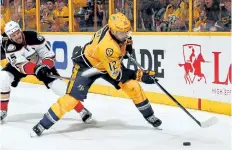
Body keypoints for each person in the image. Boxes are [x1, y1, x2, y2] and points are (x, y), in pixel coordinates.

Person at [31, 12, 162, 136]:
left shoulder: (114, 30)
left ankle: (149, 115)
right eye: (124, 33)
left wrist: (126, 44)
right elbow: (117, 75)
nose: (127, 34)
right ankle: (43, 124)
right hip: (87, 67)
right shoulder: (108, 48)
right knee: (71, 100)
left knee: (133, 87)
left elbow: (122, 44)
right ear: (114, 31)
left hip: (106, 64)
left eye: (128, 31)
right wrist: (141, 75)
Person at [0, 21, 92, 123]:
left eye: (17, 32)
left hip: (41, 64)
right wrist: (35, 69)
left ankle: (82, 110)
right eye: (13, 35)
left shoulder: (34, 36)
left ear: (20, 30)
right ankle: (2, 111)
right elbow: (21, 65)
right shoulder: (9, 47)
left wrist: (45, 66)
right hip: (22, 67)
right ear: (10, 37)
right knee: (3, 77)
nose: (17, 36)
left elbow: (49, 55)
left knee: (59, 87)